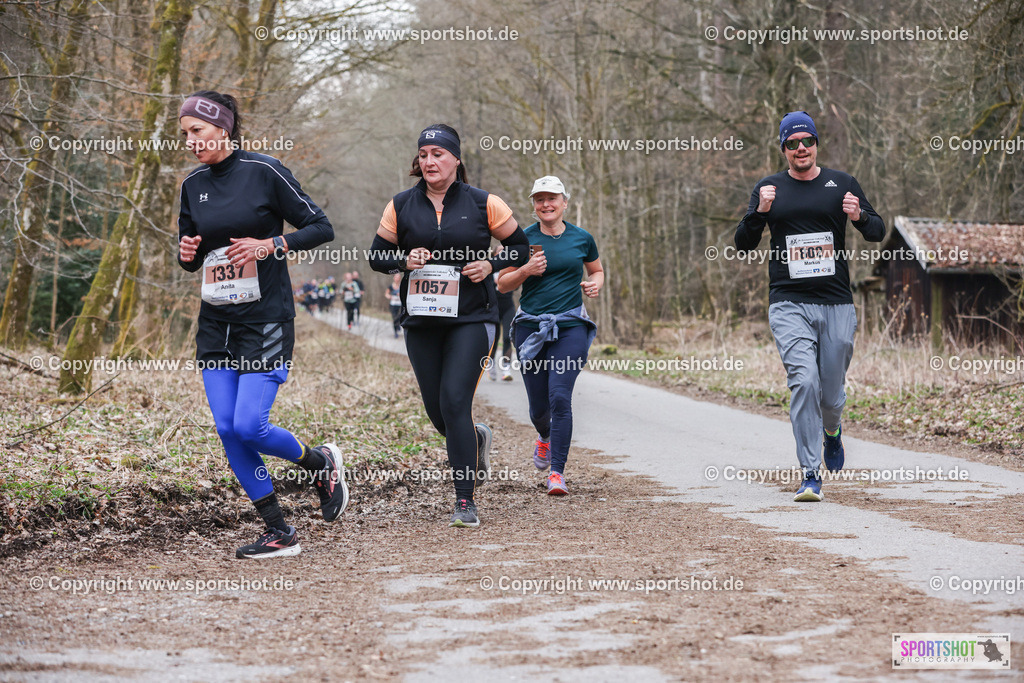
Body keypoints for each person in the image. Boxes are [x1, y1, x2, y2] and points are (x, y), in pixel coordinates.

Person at [176, 90, 348, 558]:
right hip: (217, 322)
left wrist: (269, 245)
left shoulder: (265, 171)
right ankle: (279, 530)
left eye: (197, 131)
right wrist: (186, 254)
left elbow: (321, 227)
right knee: (228, 429)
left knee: (250, 425)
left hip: (265, 318)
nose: (190, 141)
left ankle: (319, 463)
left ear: (223, 128)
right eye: (185, 134)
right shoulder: (192, 185)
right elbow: (192, 255)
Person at [368, 123, 529, 527]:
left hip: (472, 317)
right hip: (422, 320)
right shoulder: (400, 205)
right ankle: (476, 438)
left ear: (456, 159)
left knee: (456, 402)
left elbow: (520, 247)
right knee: (439, 412)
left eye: (438, 154)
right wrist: (403, 261)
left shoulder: (484, 203)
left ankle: (464, 501)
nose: (429, 161)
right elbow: (376, 256)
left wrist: (491, 264)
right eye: (423, 155)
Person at [734, 111, 885, 502]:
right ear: (783, 148)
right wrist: (759, 212)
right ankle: (809, 474)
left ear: (816, 143)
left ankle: (832, 432)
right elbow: (743, 243)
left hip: (836, 302)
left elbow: (877, 231)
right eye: (792, 143)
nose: (801, 148)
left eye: (807, 141)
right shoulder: (768, 188)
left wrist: (859, 215)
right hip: (788, 303)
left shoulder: (842, 183)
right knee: (804, 382)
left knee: (831, 396)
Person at [497, 176, 603, 496]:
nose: (546, 204)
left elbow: (596, 270)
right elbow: (502, 283)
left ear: (564, 202)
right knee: (539, 409)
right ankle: (544, 436)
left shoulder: (582, 238)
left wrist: (595, 284)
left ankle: (557, 473)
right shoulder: (521, 240)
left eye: (552, 198)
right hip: (531, 328)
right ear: (534, 205)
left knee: (559, 396)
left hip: (570, 325)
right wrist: (525, 270)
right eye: (540, 199)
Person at [487, 273, 516, 381]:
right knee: (494, 339)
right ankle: (491, 365)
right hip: (494, 307)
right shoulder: (490, 268)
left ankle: (506, 369)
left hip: (508, 306)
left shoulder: (509, 267)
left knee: (508, 337)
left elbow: (516, 286)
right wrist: (494, 282)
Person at [386, 273, 402, 338]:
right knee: (394, 318)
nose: (397, 279)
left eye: (398, 277)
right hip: (393, 305)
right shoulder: (391, 286)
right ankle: (395, 332)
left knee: (399, 317)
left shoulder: (402, 286)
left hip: (400, 305)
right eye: (396, 277)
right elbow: (386, 294)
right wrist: (389, 296)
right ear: (394, 278)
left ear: (400, 278)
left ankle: (398, 325)